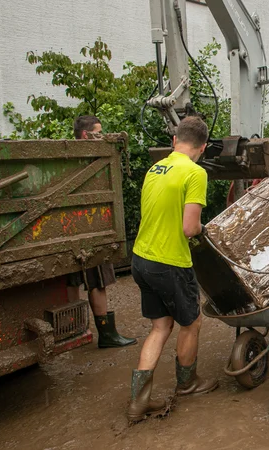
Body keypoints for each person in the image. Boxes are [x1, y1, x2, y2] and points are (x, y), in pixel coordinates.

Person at [127, 116, 217, 422]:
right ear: (202, 147)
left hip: (141, 258)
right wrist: (205, 228)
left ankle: (138, 402)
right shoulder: (195, 172)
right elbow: (190, 228)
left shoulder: (156, 168)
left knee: (160, 326)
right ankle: (188, 383)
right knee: (191, 322)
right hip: (169, 262)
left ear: (175, 140)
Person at [68, 115, 136, 349]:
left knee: (86, 282)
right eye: (99, 132)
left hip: (79, 230)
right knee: (97, 282)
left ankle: (86, 332)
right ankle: (107, 335)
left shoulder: (71, 157)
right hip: (90, 230)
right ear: (86, 135)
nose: (103, 135)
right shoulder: (86, 159)